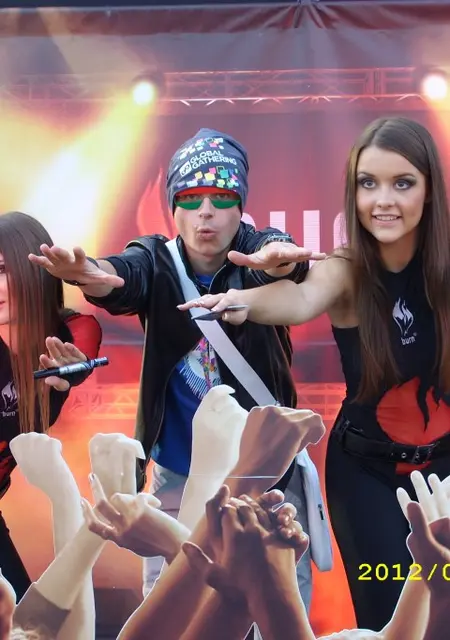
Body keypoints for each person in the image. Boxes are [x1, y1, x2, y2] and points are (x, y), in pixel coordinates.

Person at [28, 128, 324, 616]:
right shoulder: (156, 260)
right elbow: (124, 275)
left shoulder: (254, 251)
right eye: (190, 197)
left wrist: (278, 262)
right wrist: (92, 276)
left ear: (240, 206)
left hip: (265, 472)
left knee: (275, 610)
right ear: (173, 207)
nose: (206, 211)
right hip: (176, 473)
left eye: (221, 197)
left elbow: (276, 256)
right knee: (170, 610)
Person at [176, 116, 450, 630]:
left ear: (429, 189)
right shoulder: (347, 267)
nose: (383, 200)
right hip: (366, 477)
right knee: (388, 620)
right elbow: (301, 297)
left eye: (402, 183)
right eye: (368, 184)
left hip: (445, 468)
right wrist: (240, 300)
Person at [0, 211, 102, 601]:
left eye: (2, 270)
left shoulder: (72, 331)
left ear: (34, 269)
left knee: (21, 618)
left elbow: (79, 355)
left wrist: (70, 372)